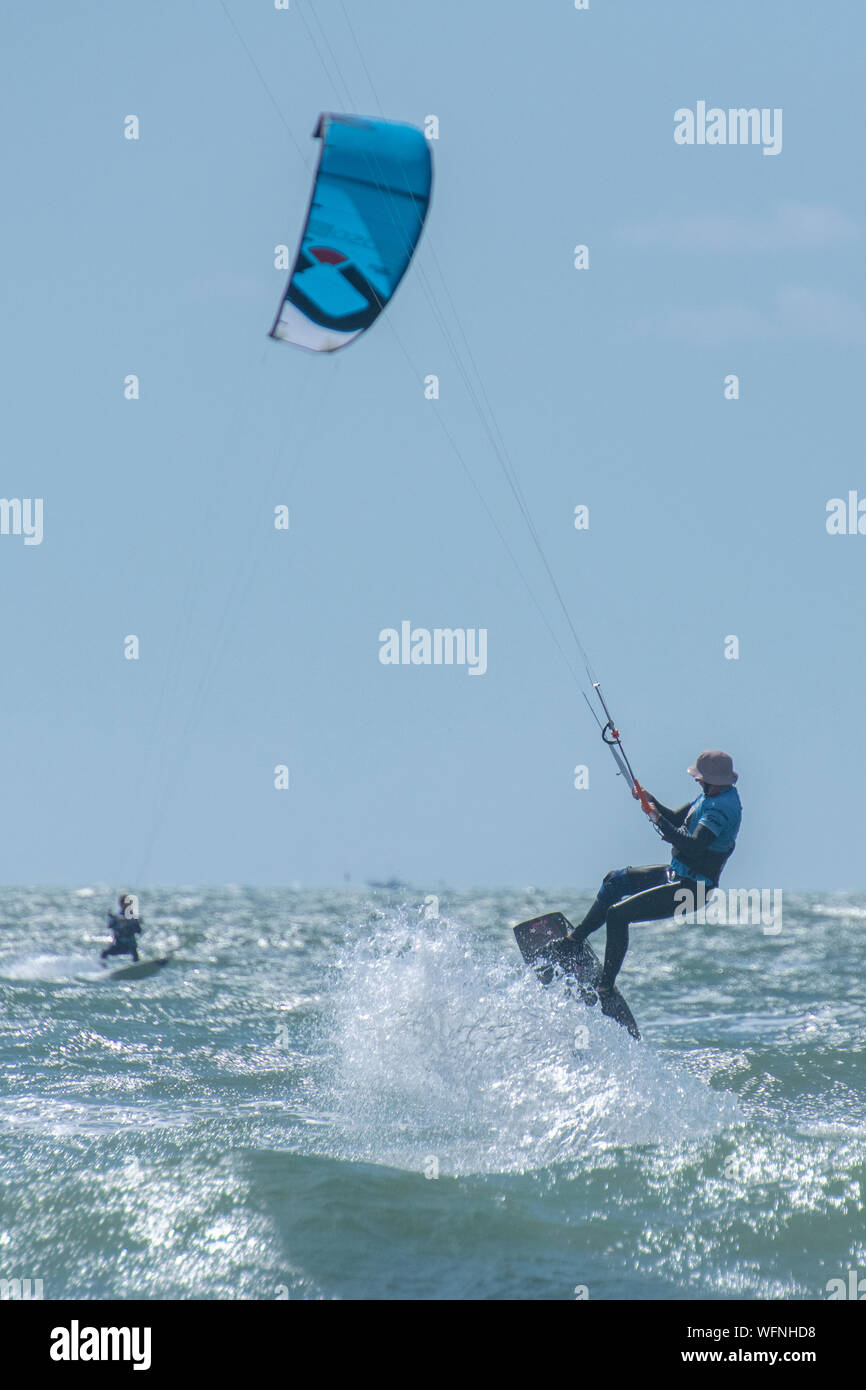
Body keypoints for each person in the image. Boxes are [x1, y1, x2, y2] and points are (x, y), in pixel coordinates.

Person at [559, 750, 742, 998]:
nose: (696, 781)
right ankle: (573, 942)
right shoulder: (710, 796)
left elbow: (694, 845)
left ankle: (604, 988)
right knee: (615, 881)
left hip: (692, 890)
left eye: (700, 778)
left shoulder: (721, 809)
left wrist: (658, 819)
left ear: (715, 781)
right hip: (676, 875)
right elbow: (678, 818)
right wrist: (650, 799)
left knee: (617, 916)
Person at [100, 893, 143, 964]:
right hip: (119, 945)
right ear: (121, 904)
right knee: (104, 953)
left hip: (130, 945)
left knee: (134, 951)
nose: (128, 906)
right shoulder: (116, 917)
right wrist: (116, 920)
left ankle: (137, 966)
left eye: (129, 904)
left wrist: (132, 924)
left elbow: (139, 930)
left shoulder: (133, 917)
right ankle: (103, 970)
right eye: (126, 904)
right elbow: (110, 926)